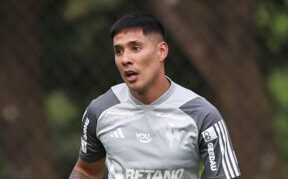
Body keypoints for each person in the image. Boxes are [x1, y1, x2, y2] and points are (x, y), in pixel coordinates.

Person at [70, 13, 241, 179]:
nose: (125, 59)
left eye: (135, 48)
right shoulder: (100, 111)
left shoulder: (203, 116)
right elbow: (87, 171)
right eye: (119, 51)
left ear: (162, 51)